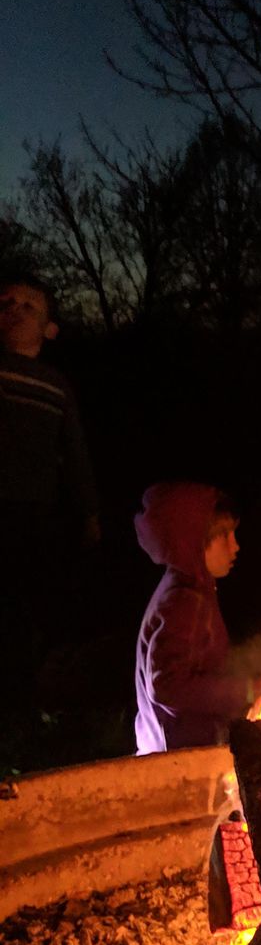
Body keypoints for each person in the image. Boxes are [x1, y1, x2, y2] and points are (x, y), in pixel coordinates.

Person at [0, 274, 100, 711]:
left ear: (49, 329)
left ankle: (26, 694)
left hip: (36, 511)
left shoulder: (56, 385)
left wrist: (90, 511)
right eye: (6, 302)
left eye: (29, 307)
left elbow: (74, 448)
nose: (15, 310)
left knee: (28, 601)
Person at [134, 481, 261, 755]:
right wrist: (244, 691)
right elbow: (168, 686)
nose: (235, 546)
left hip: (178, 747)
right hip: (177, 757)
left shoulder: (189, 588)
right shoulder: (184, 601)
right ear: (192, 542)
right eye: (223, 535)